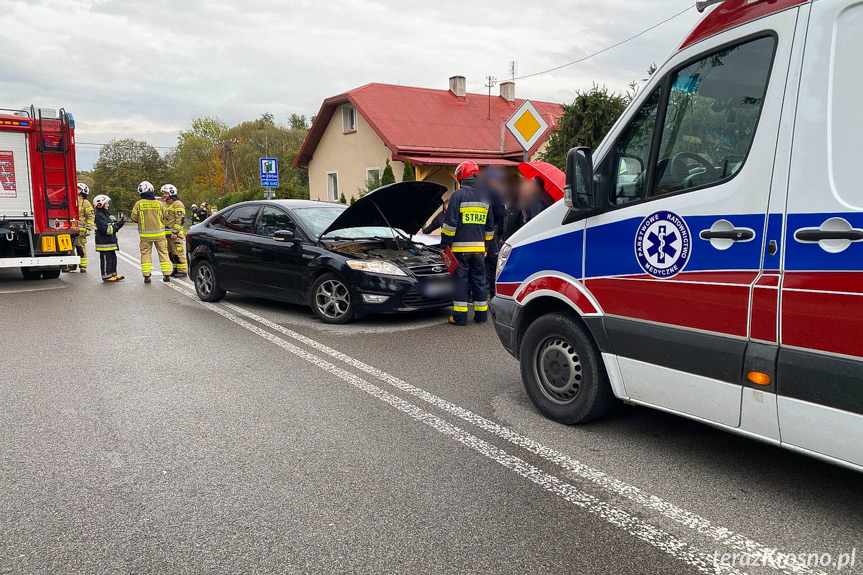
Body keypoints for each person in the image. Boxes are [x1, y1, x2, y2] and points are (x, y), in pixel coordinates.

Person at [440, 160, 495, 326]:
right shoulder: (485, 196)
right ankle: (481, 316)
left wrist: (445, 245)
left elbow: (450, 225)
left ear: (460, 176)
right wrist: (486, 246)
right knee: (479, 281)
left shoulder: (457, 195)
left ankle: (460, 318)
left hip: (460, 250)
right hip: (479, 250)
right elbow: (490, 226)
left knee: (460, 282)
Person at [130, 181, 172, 284]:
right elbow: (165, 215)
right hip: (160, 234)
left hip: (145, 236)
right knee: (163, 253)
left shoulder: (138, 204)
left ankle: (146, 276)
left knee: (145, 254)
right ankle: (166, 274)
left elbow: (133, 217)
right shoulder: (159, 204)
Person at [477, 168, 509, 298]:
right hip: (490, 232)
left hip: (475, 232)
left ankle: (476, 295)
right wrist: (504, 208)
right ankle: (494, 294)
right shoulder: (493, 192)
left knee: (478, 266)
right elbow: (500, 213)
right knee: (494, 265)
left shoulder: (475, 191)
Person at [92, 194, 126, 282]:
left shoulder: (105, 214)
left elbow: (111, 227)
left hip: (109, 243)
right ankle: (106, 276)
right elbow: (106, 230)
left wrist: (119, 223)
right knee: (106, 259)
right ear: (101, 204)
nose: (108, 205)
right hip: (104, 243)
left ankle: (113, 274)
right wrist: (118, 225)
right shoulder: (99, 216)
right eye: (106, 203)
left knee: (112, 258)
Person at [65, 183, 95, 273]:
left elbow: (90, 217)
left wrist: (88, 228)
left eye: (78, 188)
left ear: (83, 191)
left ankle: (83, 266)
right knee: (70, 248)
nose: (76, 190)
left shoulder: (85, 203)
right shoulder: (70, 200)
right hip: (70, 229)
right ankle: (71, 265)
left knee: (81, 249)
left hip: (81, 231)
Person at [161, 184, 188, 278]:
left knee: (178, 252)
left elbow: (180, 219)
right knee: (171, 253)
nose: (164, 195)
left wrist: (175, 232)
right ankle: (176, 269)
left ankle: (183, 271)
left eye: (165, 193)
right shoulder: (167, 205)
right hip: (168, 235)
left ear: (171, 193)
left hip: (175, 235)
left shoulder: (178, 204)